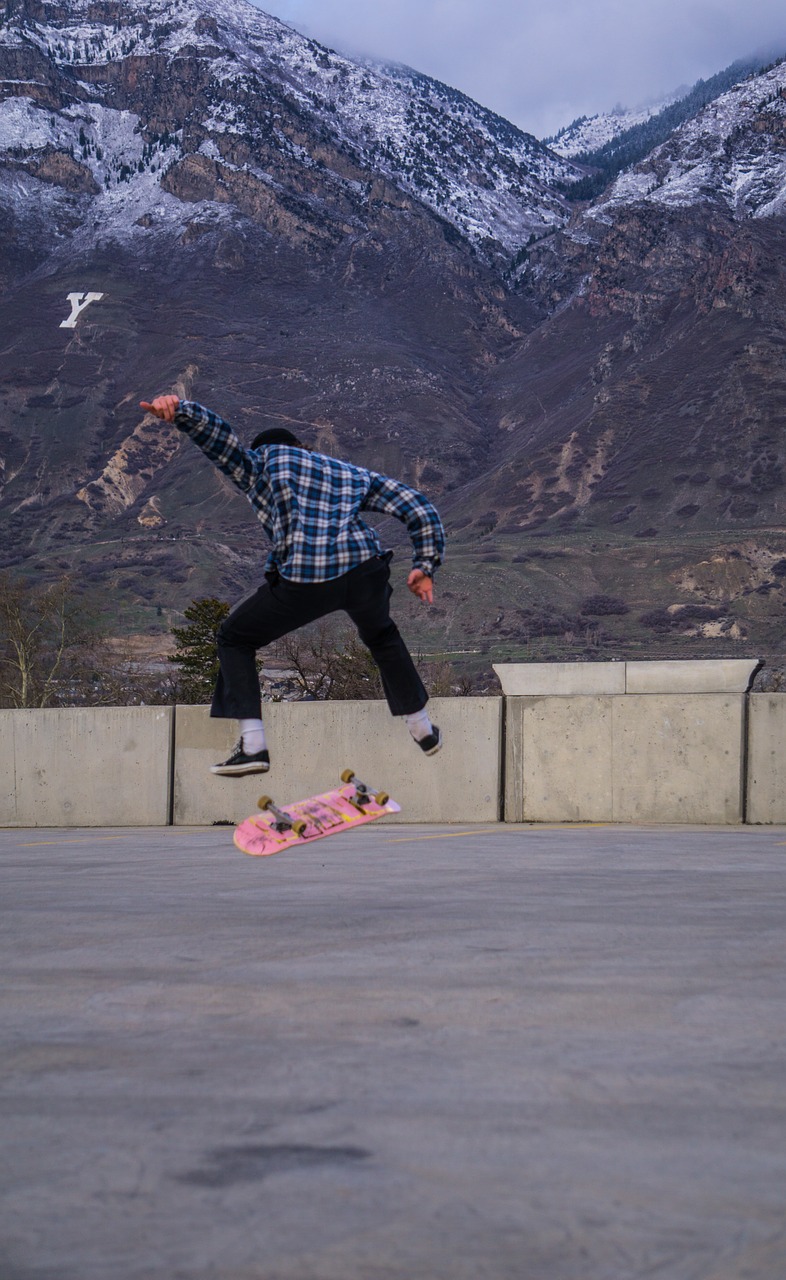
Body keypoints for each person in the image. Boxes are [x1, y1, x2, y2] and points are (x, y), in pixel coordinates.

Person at [140, 395, 446, 775]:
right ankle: (421, 729)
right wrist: (425, 564)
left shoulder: (260, 464)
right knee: (382, 636)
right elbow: (416, 505)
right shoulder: (347, 472)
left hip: (307, 576)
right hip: (366, 568)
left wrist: (182, 411)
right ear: (301, 447)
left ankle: (253, 745)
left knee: (234, 637)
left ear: (264, 450)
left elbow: (218, 439)